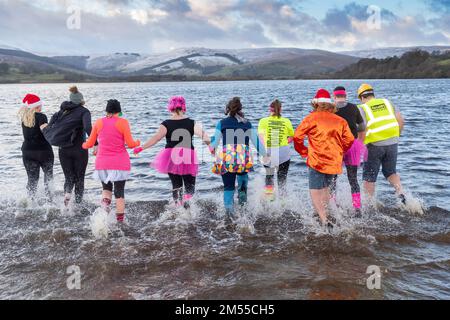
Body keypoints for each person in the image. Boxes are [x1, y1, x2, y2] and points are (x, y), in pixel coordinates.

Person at [134, 96, 211, 209]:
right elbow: (203, 135)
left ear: (170, 107)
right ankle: (189, 210)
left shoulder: (166, 124)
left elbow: (156, 138)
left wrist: (141, 148)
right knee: (190, 187)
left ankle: (179, 209)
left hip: (171, 157)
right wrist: (210, 146)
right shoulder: (191, 123)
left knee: (176, 185)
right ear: (183, 106)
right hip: (188, 156)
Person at [294, 89, 354, 227]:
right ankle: (328, 214)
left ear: (316, 104)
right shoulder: (340, 120)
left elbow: (297, 137)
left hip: (317, 160)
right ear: (330, 105)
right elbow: (349, 140)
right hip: (334, 160)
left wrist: (304, 152)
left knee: (315, 189)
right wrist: (339, 151)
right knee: (326, 188)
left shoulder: (311, 118)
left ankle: (323, 219)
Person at [82, 99, 140, 222]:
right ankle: (120, 221)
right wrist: (137, 143)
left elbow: (90, 143)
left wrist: (83, 145)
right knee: (119, 192)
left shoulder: (98, 122)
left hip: (102, 163)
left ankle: (103, 215)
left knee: (106, 189)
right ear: (118, 111)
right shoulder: (123, 122)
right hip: (119, 163)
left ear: (107, 111)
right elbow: (130, 144)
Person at [210, 97, 267, 218]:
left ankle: (229, 216)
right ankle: (243, 212)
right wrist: (266, 156)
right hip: (243, 161)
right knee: (242, 187)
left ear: (228, 109)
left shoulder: (222, 123)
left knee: (228, 188)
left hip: (227, 160)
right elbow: (257, 144)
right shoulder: (247, 123)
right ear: (240, 108)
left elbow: (213, 145)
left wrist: (211, 147)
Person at [356, 84, 407, 205]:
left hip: (374, 145)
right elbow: (401, 121)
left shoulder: (362, 108)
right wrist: (397, 135)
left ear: (361, 97)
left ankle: (369, 205)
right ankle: (400, 192)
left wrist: (358, 147)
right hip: (393, 142)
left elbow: (361, 129)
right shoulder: (387, 103)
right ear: (373, 94)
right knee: (390, 172)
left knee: (369, 177)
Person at [43, 98, 92, 206]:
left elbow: (49, 128)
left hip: (63, 150)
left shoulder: (60, 112)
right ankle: (78, 204)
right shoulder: (84, 111)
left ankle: (67, 196)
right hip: (80, 149)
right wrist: (96, 143)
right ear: (81, 101)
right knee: (79, 178)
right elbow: (88, 127)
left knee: (69, 177)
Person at [329, 86, 366, 215]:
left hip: (336, 147)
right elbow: (362, 128)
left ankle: (332, 205)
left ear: (334, 97)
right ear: (345, 96)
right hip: (352, 146)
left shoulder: (330, 109)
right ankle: (357, 208)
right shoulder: (354, 107)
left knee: (332, 178)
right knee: (353, 178)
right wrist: (359, 144)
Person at [18, 94, 54, 201]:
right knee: (48, 177)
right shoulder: (41, 117)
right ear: (37, 106)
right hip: (43, 151)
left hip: (27, 152)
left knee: (32, 180)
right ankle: (50, 202)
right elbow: (46, 131)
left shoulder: (24, 118)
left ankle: (30, 202)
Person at [258, 99, 294, 200]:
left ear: (270, 109)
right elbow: (291, 137)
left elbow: (261, 139)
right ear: (280, 109)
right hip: (283, 152)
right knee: (282, 179)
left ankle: (270, 202)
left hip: (268, 152)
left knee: (269, 177)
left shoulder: (263, 121)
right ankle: (283, 203)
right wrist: (285, 142)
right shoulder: (286, 121)